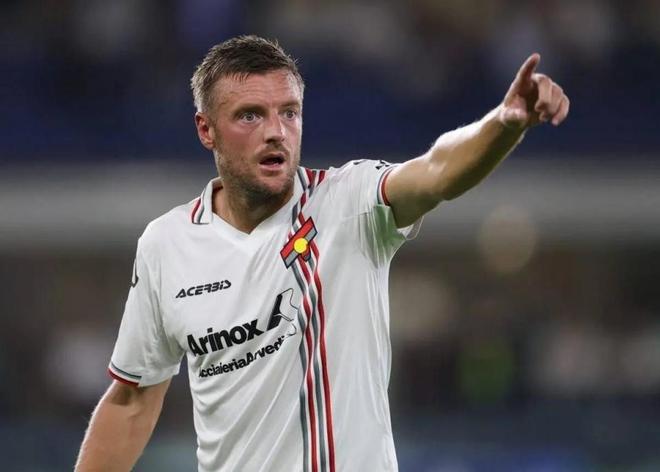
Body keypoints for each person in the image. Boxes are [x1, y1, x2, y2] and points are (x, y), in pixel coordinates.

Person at [75, 35, 569, 472]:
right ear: (207, 130)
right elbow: (132, 401)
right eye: (250, 115)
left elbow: (437, 171)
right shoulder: (167, 245)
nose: (276, 130)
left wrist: (503, 123)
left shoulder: (349, 203)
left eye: (288, 112)